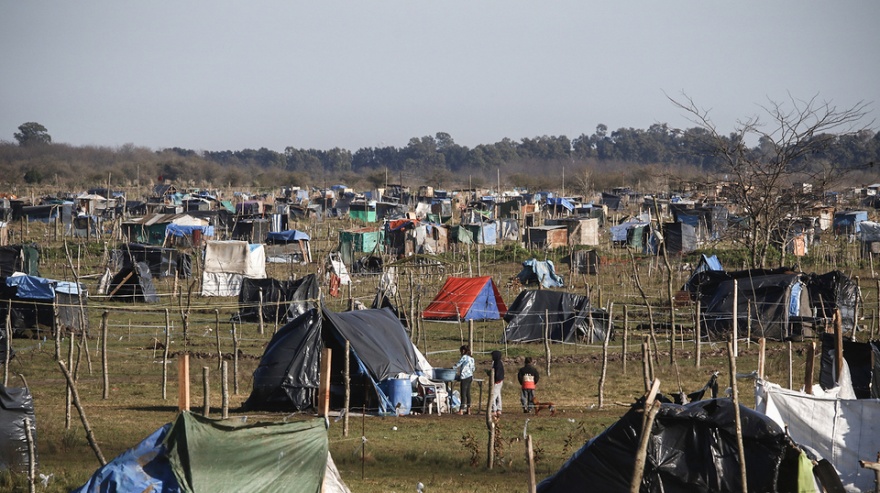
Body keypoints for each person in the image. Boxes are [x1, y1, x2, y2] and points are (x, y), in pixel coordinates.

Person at [452, 345, 475, 415]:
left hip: (464, 377)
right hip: (470, 377)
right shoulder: (472, 359)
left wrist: (452, 368)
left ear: (463, 351)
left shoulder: (464, 357)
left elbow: (458, 364)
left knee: (463, 393)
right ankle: (469, 409)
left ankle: (461, 410)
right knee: (468, 393)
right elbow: (474, 368)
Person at [489, 350, 504, 417]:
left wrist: (494, 379)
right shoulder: (499, 362)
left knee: (493, 396)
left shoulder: (497, 363)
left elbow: (497, 373)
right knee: (498, 395)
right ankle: (499, 409)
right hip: (500, 381)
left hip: (497, 381)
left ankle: (493, 410)